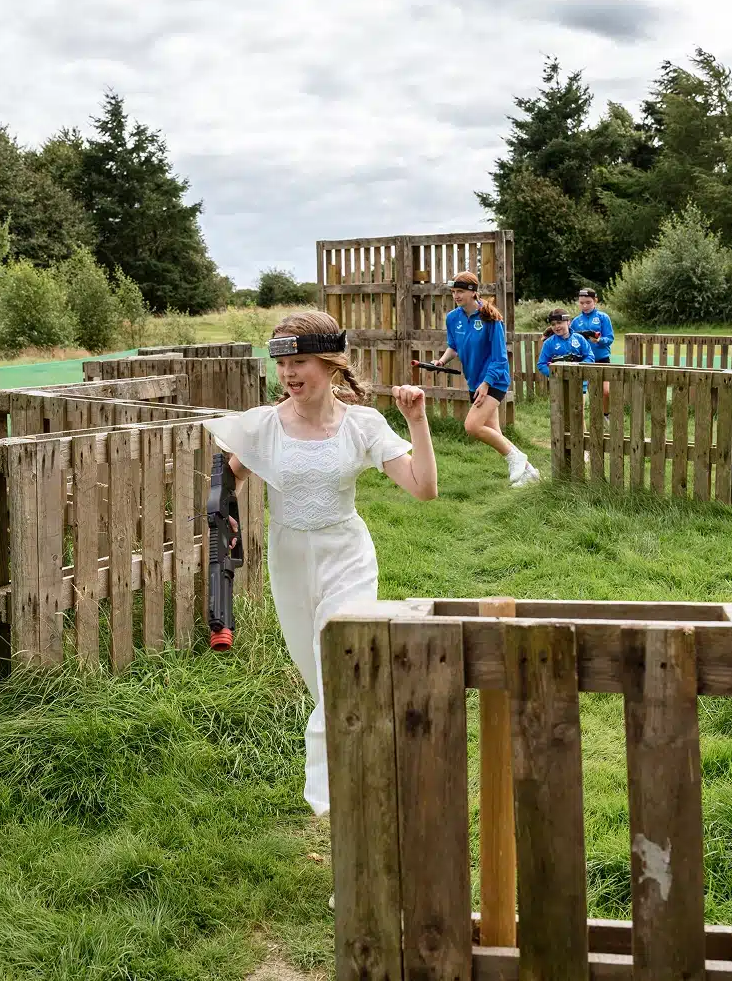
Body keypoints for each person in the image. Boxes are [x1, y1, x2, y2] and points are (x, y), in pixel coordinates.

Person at [202, 310, 439, 823]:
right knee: (324, 685)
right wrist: (225, 519)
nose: (289, 373)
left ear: (330, 363)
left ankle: (336, 808)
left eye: (301, 361)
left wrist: (417, 421)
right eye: (283, 363)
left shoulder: (361, 425)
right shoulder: (264, 426)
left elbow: (423, 488)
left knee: (339, 671)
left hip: (345, 556)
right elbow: (226, 486)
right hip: (289, 564)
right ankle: (372, 762)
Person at [432, 270, 540, 487]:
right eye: (453, 292)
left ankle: (516, 458)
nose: (456, 296)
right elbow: (454, 346)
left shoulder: (491, 318)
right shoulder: (453, 318)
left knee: (472, 426)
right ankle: (532, 474)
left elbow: (500, 358)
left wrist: (486, 383)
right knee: (495, 433)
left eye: (460, 291)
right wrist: (442, 361)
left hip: (495, 380)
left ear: (474, 292)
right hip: (475, 381)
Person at [571, 288, 614, 416]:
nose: (585, 306)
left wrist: (600, 340)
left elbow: (610, 338)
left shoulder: (603, 317)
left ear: (595, 301)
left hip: (602, 358)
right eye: (581, 303)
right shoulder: (575, 321)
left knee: (606, 392)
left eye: (588, 302)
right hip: (583, 360)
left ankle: (606, 415)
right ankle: (583, 418)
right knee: (583, 393)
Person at [537, 309, 594, 377]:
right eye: (553, 324)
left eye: (559, 322)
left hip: (580, 381)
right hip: (558, 383)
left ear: (568, 322)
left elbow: (590, 356)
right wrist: (554, 374)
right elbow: (541, 364)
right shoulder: (548, 343)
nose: (556, 326)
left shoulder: (580, 339)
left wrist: (580, 367)